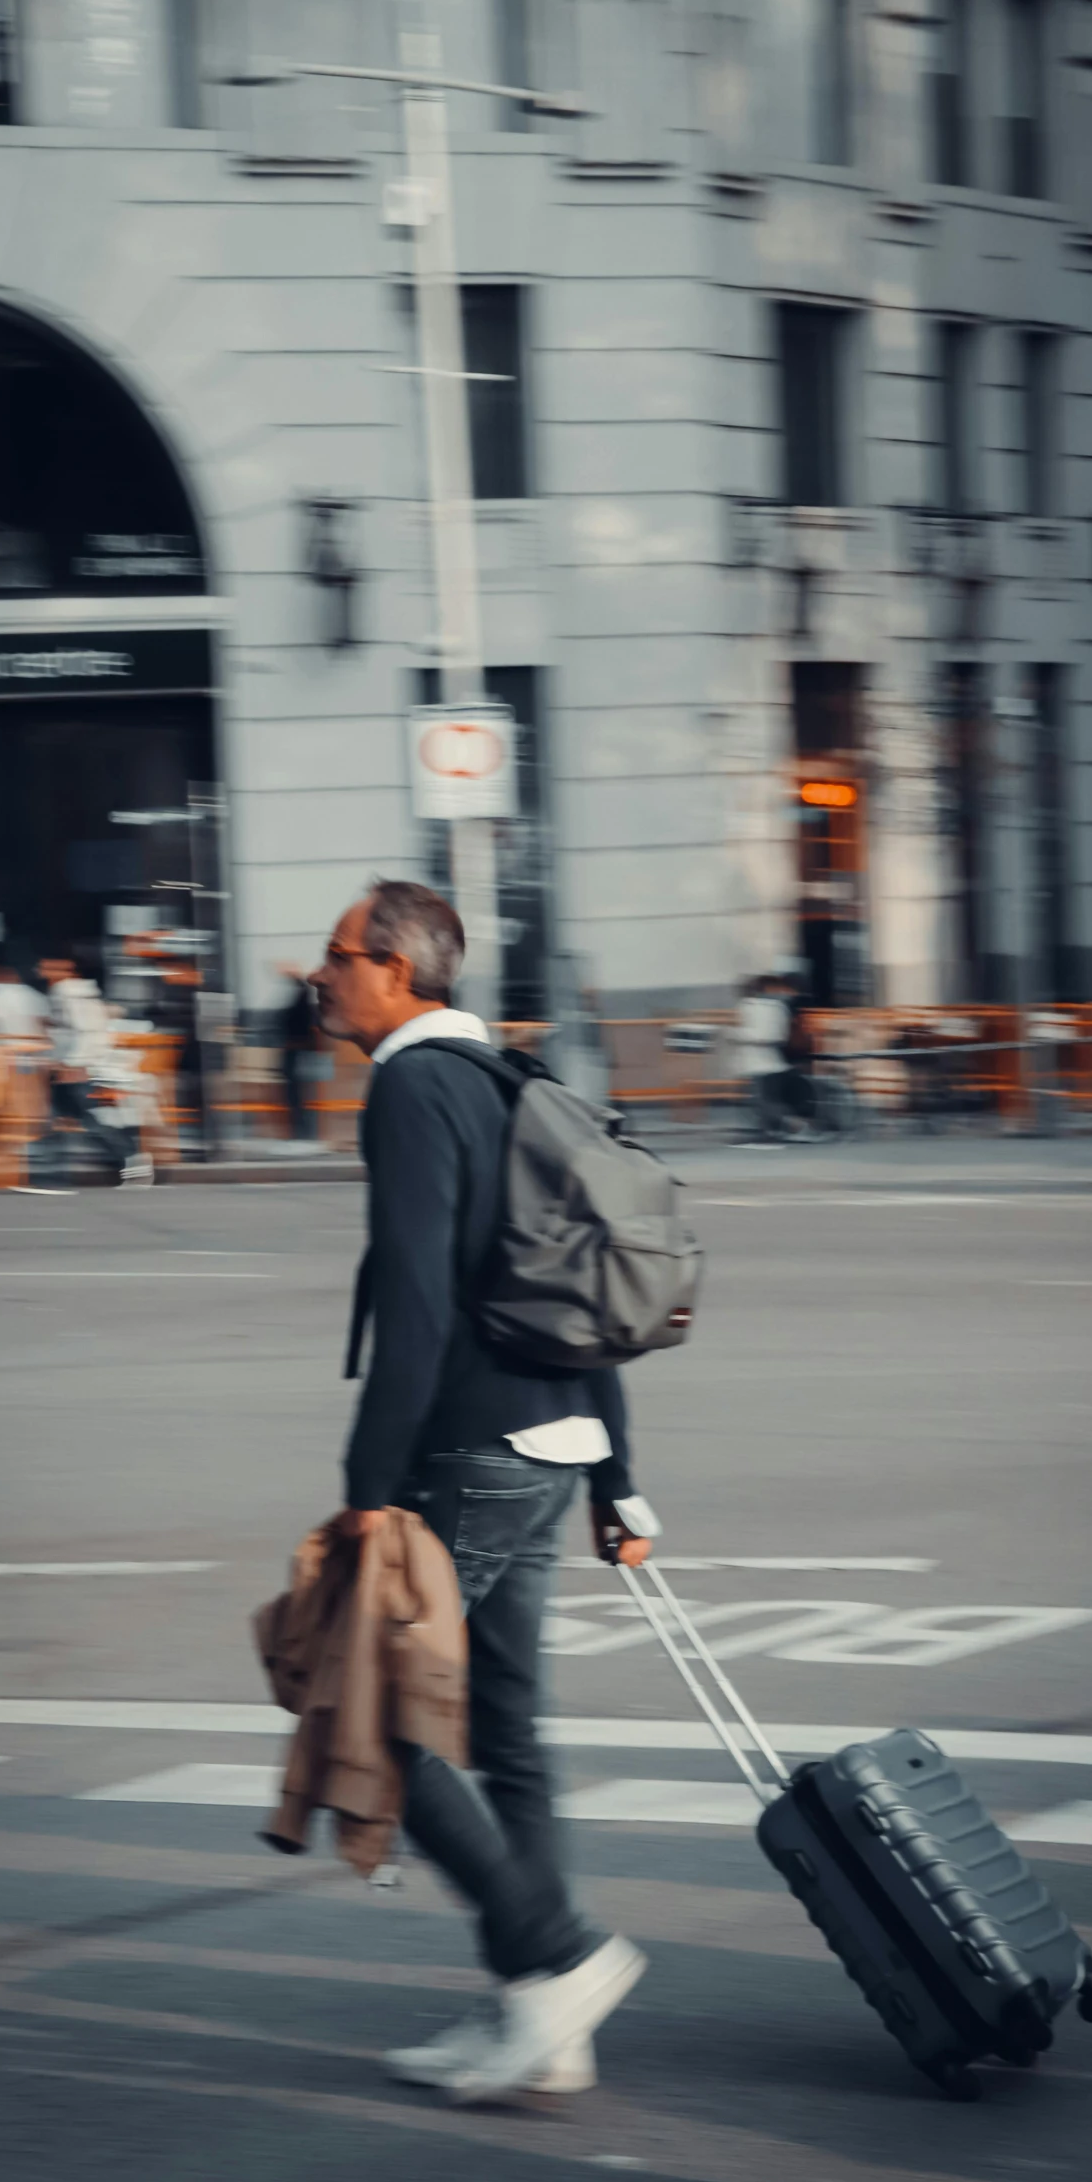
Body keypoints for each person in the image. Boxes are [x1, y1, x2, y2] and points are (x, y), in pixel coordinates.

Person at [310, 879, 649, 2102]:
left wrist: (367, 1488)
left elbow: (419, 1305)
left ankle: (556, 1958)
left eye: (336, 958)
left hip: (472, 1448)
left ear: (399, 971)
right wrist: (617, 1478)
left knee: (381, 1726)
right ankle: (542, 2026)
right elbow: (570, 1298)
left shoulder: (410, 1086)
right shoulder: (510, 1079)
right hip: (553, 1442)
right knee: (504, 1728)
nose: (320, 979)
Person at [37, 958, 154, 1188]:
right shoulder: (68, 992)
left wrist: (74, 1064)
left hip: (77, 1067)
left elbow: (86, 1031)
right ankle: (50, 1174)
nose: (42, 971)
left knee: (89, 1119)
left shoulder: (69, 993)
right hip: (70, 1065)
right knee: (66, 1118)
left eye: (50, 966)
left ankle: (132, 1159)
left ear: (68, 968)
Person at [733, 974, 793, 1142]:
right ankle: (771, 1129)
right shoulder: (767, 1006)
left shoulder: (769, 1007)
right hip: (760, 1061)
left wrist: (737, 1034)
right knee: (762, 1098)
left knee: (765, 1099)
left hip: (764, 1061)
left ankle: (779, 1128)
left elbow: (769, 1034)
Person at [273, 962, 319, 1143]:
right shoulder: (302, 997)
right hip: (295, 1050)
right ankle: (301, 1131)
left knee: (296, 1095)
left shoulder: (301, 997)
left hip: (295, 1050)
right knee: (297, 1094)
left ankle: (302, 1132)